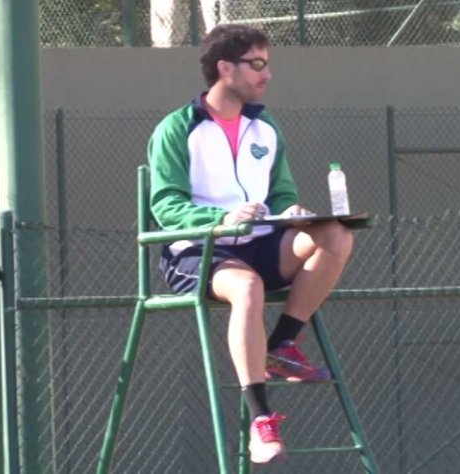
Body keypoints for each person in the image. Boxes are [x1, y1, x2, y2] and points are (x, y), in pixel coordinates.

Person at [147, 24, 354, 464]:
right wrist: (220, 221)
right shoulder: (177, 129)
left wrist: (290, 209)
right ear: (225, 68)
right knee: (247, 288)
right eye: (257, 64)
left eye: (267, 64)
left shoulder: (265, 127)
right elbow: (166, 205)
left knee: (335, 234)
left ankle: (281, 345)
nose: (267, 74)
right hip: (199, 250)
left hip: (261, 242)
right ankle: (261, 422)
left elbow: (280, 192)